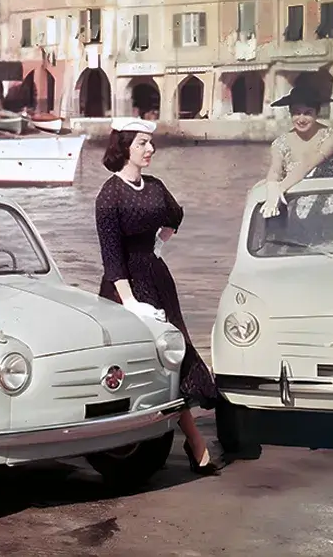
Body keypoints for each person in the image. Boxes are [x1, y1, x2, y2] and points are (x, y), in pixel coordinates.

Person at [94, 117, 223, 475]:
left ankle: (192, 439)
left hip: (157, 278)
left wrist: (160, 242)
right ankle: (184, 441)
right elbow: (111, 257)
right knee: (144, 360)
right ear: (124, 147)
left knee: (174, 354)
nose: (150, 149)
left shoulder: (154, 186)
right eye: (141, 143)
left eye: (150, 143)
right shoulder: (109, 195)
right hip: (124, 287)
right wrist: (130, 302)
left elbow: (175, 215)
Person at [262, 85, 333, 219]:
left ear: (317, 113)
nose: (301, 119)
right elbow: (275, 171)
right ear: (290, 113)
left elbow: (308, 164)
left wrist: (281, 187)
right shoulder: (280, 143)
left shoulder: (332, 136)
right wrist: (272, 189)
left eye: (307, 113)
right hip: (298, 212)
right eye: (296, 113)